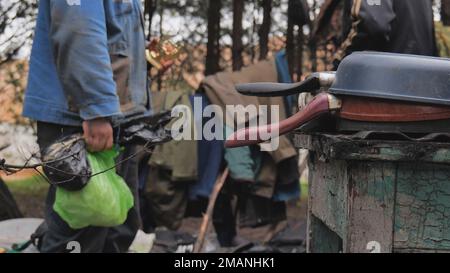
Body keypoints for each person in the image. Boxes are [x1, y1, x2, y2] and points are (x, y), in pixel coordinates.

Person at [22, 0, 150, 253]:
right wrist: (97, 108)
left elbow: (114, 41)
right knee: (80, 234)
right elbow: (78, 28)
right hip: (82, 119)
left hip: (116, 116)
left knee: (116, 225)